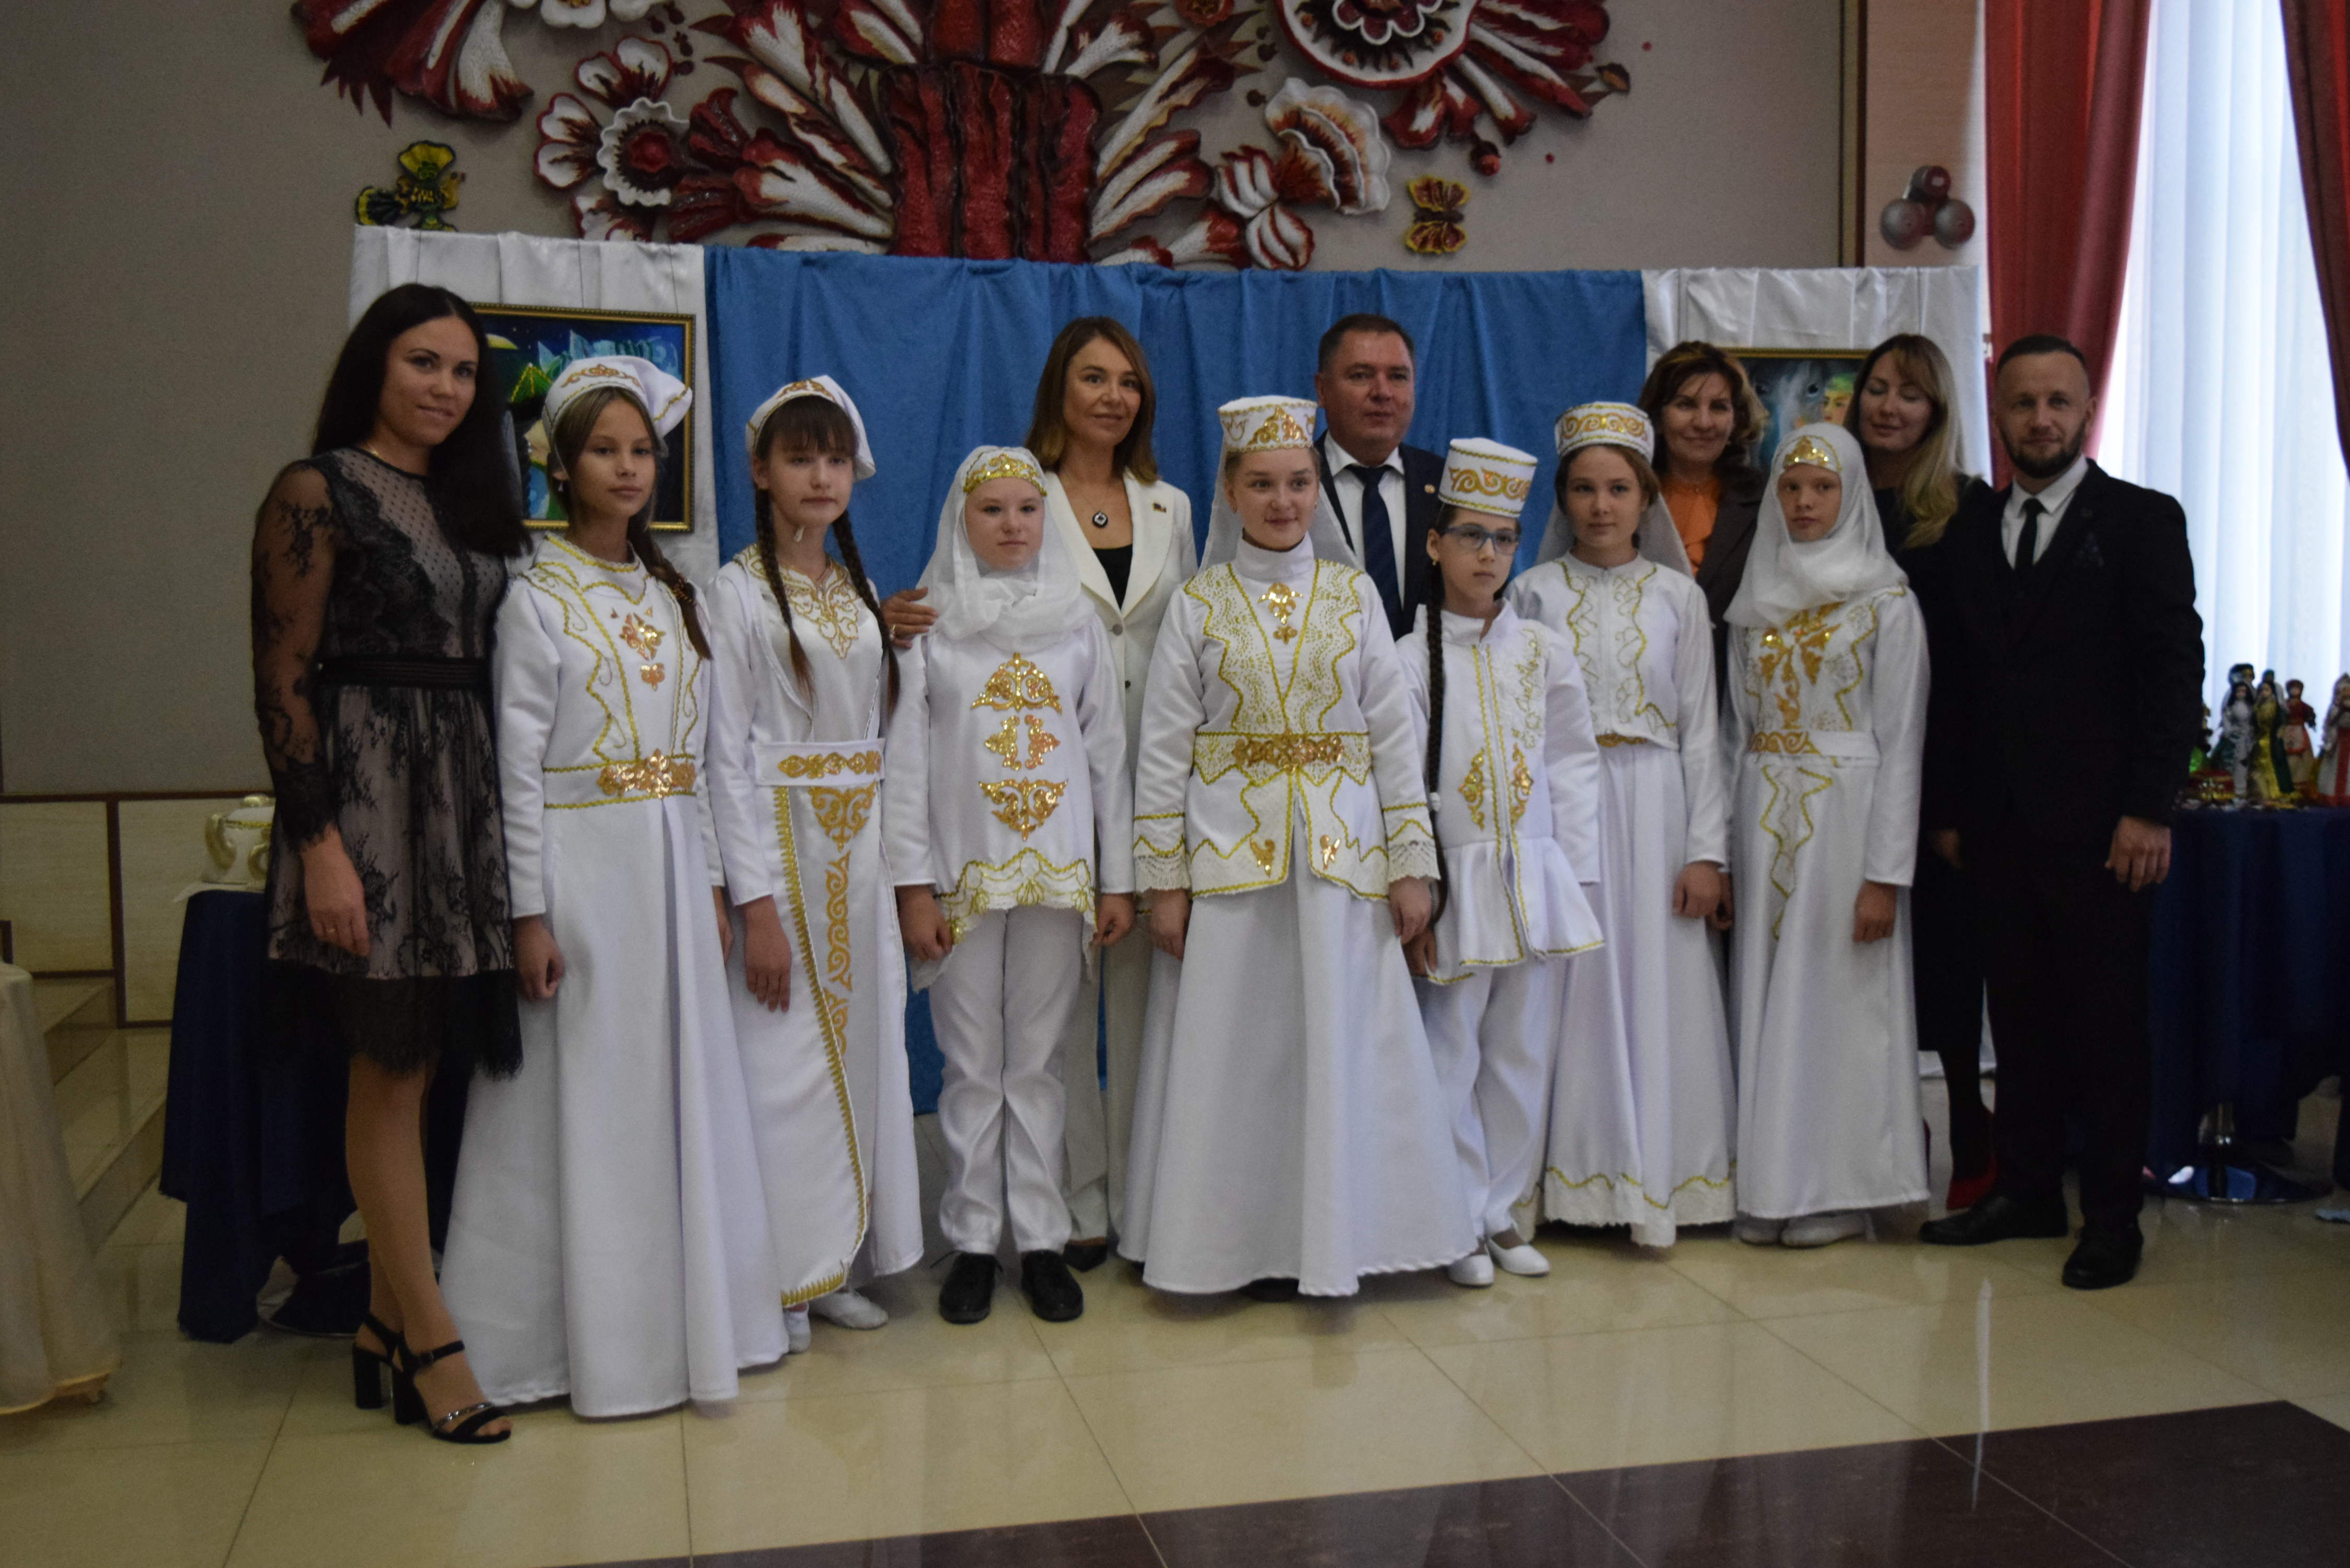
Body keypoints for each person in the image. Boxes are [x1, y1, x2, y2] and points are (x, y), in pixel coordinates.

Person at [439, 357, 786, 1415]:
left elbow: (708, 761)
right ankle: (572, 1345)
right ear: (561, 466)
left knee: (673, 1096)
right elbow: (515, 769)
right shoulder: (534, 598)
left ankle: (690, 1326)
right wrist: (528, 912)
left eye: (642, 451)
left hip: (673, 873)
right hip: (585, 878)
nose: (629, 469)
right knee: (586, 1102)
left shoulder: (675, 594)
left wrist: (721, 885)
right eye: (605, 450)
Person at [249, 283, 526, 1444]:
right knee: (391, 1070)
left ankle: (381, 1318)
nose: (446, 388)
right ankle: (431, 1339)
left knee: (428, 1067)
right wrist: (318, 845)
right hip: (366, 804)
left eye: (463, 371)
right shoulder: (316, 490)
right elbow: (282, 678)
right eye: (424, 362)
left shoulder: (471, 497)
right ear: (374, 363)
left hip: (461, 797)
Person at [1120, 395, 1472, 1298]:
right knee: (1235, 1059)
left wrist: (1412, 866)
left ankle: (1349, 1236)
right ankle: (1225, 1247)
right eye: (1263, 485)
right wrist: (1165, 883)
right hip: (1230, 867)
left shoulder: (1355, 597)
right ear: (1231, 492)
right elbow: (1162, 753)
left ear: (1319, 490)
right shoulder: (1199, 605)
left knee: (1343, 1050)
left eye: (1298, 483)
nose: (1282, 501)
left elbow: (1394, 741)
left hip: (1341, 866)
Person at [1919, 335, 2203, 1291]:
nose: (2040, 419)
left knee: (2109, 1028)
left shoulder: (2140, 520)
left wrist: (2149, 809)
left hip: (2104, 828)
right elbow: (1957, 683)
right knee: (2020, 1020)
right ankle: (2028, 1191)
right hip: (1995, 824)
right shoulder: (1970, 527)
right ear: (1997, 416)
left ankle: (2113, 1218)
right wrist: (1950, 809)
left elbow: (2173, 670)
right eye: (2022, 404)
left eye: (2057, 402)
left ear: (2085, 410)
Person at [888, 446, 1135, 1326]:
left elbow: (1107, 758)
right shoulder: (929, 628)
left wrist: (1117, 880)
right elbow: (905, 767)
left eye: (1027, 509)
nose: (1012, 525)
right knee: (969, 1064)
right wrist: (913, 885)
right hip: (962, 877)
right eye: (991, 510)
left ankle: (1039, 1239)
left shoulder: (1078, 625)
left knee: (1037, 1062)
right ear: (962, 521)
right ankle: (970, 1237)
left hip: (1059, 878)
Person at [706, 377, 925, 1345]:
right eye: (800, 459)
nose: (822, 477)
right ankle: (780, 1278)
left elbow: (885, 732)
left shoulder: (859, 593)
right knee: (782, 1068)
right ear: (761, 472)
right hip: (782, 848)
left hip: (859, 854)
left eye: (835, 459)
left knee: (860, 1054)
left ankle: (837, 1257)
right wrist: (754, 902)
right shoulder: (735, 591)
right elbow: (724, 756)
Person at [1512, 403, 1735, 1249]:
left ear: (1646, 497)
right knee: (1571, 989)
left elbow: (1704, 732)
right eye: (1583, 489)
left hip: (1656, 807)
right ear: (1562, 499)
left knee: (1654, 986)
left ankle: (1663, 1179)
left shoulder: (1679, 598)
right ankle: (1568, 1180)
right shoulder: (1532, 593)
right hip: (1565, 807)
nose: (1600, 506)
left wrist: (1707, 852)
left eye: (1617, 489)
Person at [1400, 437, 1605, 1286]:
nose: (1487, 554)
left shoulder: (1544, 652)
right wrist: (1417, 882)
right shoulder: (1407, 658)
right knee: (1450, 1049)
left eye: (1503, 538)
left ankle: (1500, 1211)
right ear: (1434, 544)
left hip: (1534, 878)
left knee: (1522, 1050)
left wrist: (1577, 876)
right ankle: (1452, 1215)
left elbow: (1573, 763)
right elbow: (1401, 781)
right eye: (1470, 536)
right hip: (1458, 883)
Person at [1722, 423, 1931, 1248]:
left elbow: (1903, 743)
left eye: (1822, 488)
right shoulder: (1755, 604)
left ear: (1851, 497)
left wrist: (1886, 874)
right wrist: (1724, 851)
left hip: (1847, 827)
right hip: (1762, 819)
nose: (1804, 503)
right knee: (1768, 998)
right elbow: (1736, 733)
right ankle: (1771, 1185)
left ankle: (1840, 1190)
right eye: (1791, 487)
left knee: (1840, 1005)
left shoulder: (1887, 605)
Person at [1023, 318, 1196, 1270]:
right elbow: (963, 601)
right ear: (1060, 389)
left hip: (1156, 778)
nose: (1113, 397)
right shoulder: (1018, 489)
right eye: (1093, 378)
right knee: (1055, 1001)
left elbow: (1195, 642)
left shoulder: (1171, 506)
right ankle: (1073, 1197)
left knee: (1139, 1002)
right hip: (1048, 777)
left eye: (1128, 382)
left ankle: (1140, 1196)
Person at [1845, 333, 1998, 1209]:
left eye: (1909, 394)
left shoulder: (1965, 509)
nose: (1889, 407)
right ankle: (1893, 1124)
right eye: (1877, 389)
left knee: (1945, 962)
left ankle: (1970, 1124)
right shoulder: (1828, 492)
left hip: (1935, 763)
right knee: (1863, 965)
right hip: (1839, 767)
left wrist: (1950, 804)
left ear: (1936, 411)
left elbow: (1980, 668)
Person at [1638, 341, 1770, 683]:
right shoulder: (1628, 498)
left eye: (1719, 407)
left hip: (1735, 688)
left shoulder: (1768, 501)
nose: (1704, 422)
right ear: (1658, 417)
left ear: (1736, 418)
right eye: (1686, 405)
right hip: (1642, 687)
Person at [1312, 314, 1447, 638]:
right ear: (1322, 390)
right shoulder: (1288, 483)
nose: (1383, 392)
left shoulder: (1449, 484)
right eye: (1361, 376)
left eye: (1398, 377)